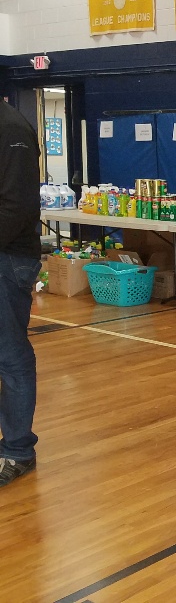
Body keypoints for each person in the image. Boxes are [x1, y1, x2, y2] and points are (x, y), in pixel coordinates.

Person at [0, 99, 42, 487]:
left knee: (10, 356)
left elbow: (17, 206)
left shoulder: (11, 129)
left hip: (8, 259)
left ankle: (17, 449)